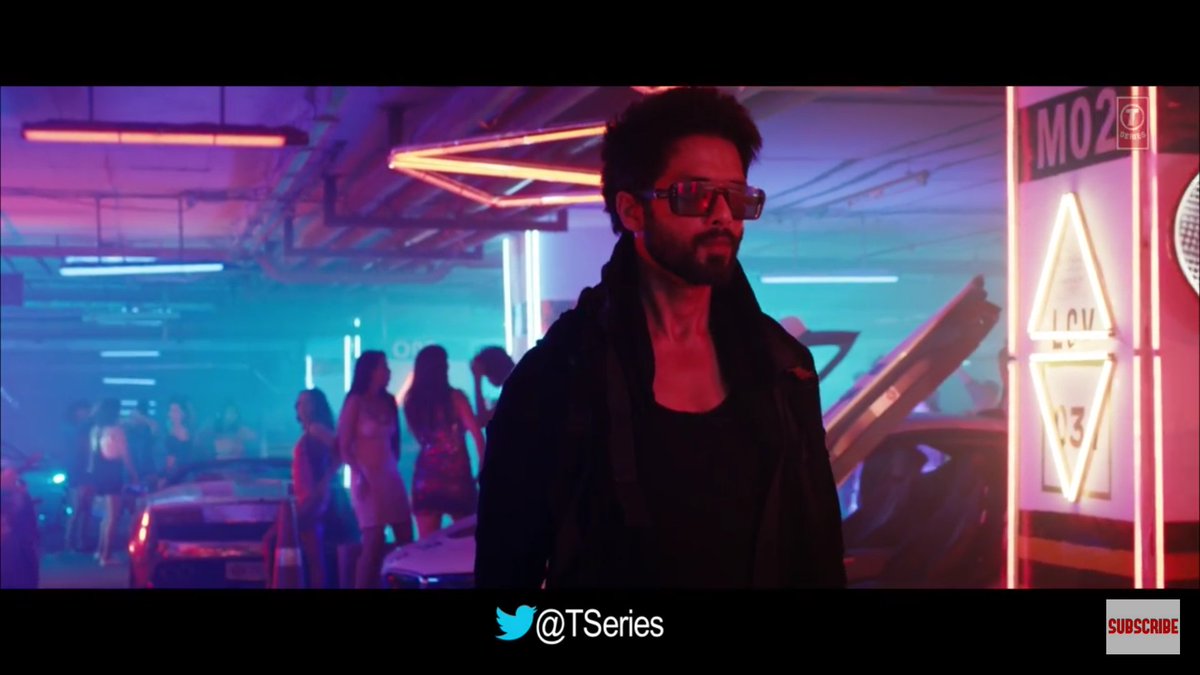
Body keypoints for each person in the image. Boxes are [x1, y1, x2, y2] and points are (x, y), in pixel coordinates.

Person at [475, 87, 846, 589]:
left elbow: (816, 545)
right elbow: (505, 572)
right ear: (632, 211)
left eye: (736, 196)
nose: (722, 215)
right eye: (695, 194)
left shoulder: (783, 366)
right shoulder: (559, 375)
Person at [337, 350, 414, 588]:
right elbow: (343, 445)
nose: (388, 372)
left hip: (390, 475)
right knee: (373, 539)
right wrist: (358, 473)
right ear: (370, 371)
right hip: (366, 478)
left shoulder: (389, 401)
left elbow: (395, 443)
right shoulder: (355, 402)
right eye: (384, 367)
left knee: (406, 536)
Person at [405, 345, 487, 539]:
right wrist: (483, 469)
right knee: (468, 540)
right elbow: (477, 435)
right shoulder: (455, 398)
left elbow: (419, 437)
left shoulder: (413, 401)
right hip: (457, 477)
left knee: (427, 544)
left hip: (426, 478)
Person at [264, 388, 339, 588]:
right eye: (298, 403)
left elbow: (341, 450)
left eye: (303, 402)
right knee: (311, 555)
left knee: (304, 551)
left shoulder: (316, 429)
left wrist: (325, 481)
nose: (298, 407)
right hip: (308, 499)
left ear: (314, 406)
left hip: (312, 501)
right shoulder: (312, 431)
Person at [90, 398, 138, 566]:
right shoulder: (116, 430)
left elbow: (94, 453)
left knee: (106, 516)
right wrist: (133, 474)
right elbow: (125, 454)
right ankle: (106, 555)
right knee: (113, 516)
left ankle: (100, 550)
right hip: (113, 472)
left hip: (100, 472)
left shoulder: (96, 430)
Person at [62, 400, 95, 553]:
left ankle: (81, 541)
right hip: (77, 473)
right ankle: (69, 542)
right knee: (76, 509)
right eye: (84, 410)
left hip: (88, 473)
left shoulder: (87, 429)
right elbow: (75, 453)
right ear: (76, 412)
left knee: (86, 509)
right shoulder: (72, 429)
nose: (87, 413)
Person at [470, 346, 515, 428]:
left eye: (487, 375)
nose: (488, 380)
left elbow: (483, 420)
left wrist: (477, 379)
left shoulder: (515, 393)